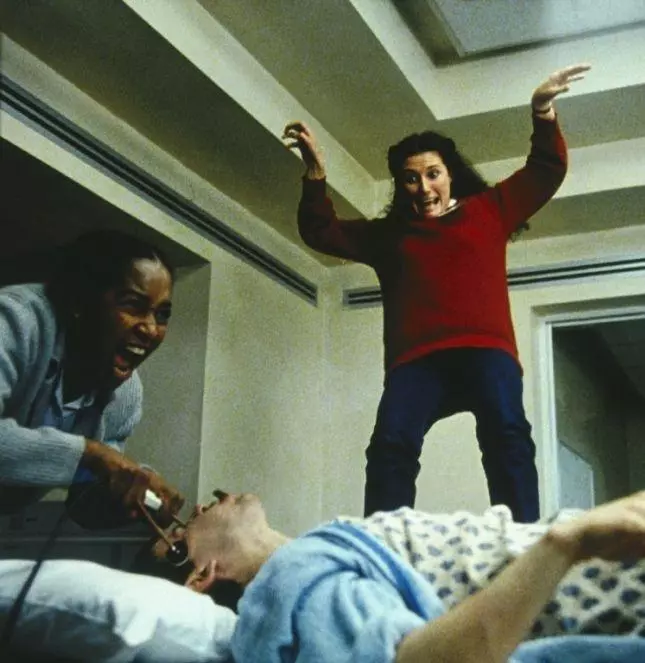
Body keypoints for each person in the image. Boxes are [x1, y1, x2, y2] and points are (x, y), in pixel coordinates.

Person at [283, 64, 591, 522]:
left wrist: (542, 110)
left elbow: (546, 169)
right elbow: (320, 230)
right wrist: (315, 173)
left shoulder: (489, 210)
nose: (424, 187)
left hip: (486, 351)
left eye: (433, 174)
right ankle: (384, 540)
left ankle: (521, 536)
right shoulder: (390, 235)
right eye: (411, 178)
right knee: (390, 446)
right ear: (400, 185)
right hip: (417, 361)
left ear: (450, 175)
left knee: (507, 434)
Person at [182, 489, 645, 663]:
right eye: (192, 520)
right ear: (204, 574)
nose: (202, 503)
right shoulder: (285, 585)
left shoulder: (320, 553)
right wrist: (565, 543)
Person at [0, 230, 184, 527]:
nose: (151, 329)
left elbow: (83, 508)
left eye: (162, 315)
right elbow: (92, 459)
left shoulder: (127, 394)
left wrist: (134, 495)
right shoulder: (16, 320)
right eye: (132, 305)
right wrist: (91, 454)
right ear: (80, 302)